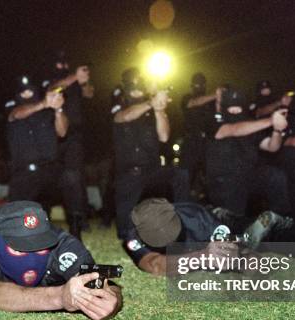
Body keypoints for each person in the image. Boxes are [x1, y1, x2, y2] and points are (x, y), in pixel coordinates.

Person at [0, 201, 122, 320]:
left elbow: (103, 284)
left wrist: (112, 300)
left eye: (40, 245)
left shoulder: (63, 244)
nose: (32, 256)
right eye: (20, 248)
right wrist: (60, 296)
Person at [111, 67, 189, 240]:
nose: (137, 91)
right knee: (126, 233)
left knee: (179, 175)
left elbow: (164, 136)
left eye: (140, 87)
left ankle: (185, 223)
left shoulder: (152, 107)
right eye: (134, 87)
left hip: (151, 169)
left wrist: (159, 109)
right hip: (128, 172)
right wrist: (150, 103)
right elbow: (123, 117)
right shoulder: (119, 103)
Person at [123, 198, 292, 276]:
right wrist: (202, 257)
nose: (168, 240)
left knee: (235, 226)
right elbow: (155, 265)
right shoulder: (134, 235)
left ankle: (279, 223)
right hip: (199, 246)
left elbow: (238, 254)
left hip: (210, 218)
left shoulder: (196, 217)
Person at [5, 75, 85, 236]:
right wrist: (44, 103)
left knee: (71, 178)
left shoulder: (48, 110)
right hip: (24, 174)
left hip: (49, 171)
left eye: (30, 91)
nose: (27, 94)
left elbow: (62, 131)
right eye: (23, 92)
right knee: (23, 226)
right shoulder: (13, 107)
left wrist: (58, 109)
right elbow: (16, 114)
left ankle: (76, 230)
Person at [205, 87, 290, 218]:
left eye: (238, 108)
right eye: (230, 108)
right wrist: (270, 121)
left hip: (248, 175)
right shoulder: (214, 122)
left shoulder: (251, 125)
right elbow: (233, 130)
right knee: (232, 222)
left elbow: (272, 147)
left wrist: (277, 130)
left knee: (275, 176)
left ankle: (275, 219)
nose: (234, 112)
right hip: (225, 180)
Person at [42, 50, 92, 237]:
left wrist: (84, 81)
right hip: (53, 133)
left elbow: (89, 93)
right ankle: (43, 219)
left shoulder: (76, 81)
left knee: (76, 177)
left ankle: (79, 221)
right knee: (49, 176)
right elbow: (52, 88)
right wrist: (74, 77)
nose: (62, 66)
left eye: (65, 63)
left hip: (74, 136)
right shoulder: (52, 77)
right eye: (59, 63)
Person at [180, 72, 220, 192]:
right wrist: (216, 94)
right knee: (186, 176)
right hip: (191, 142)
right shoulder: (187, 98)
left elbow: (218, 115)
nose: (198, 86)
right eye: (196, 84)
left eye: (201, 84)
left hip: (208, 143)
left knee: (210, 176)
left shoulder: (211, 102)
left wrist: (218, 101)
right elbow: (193, 103)